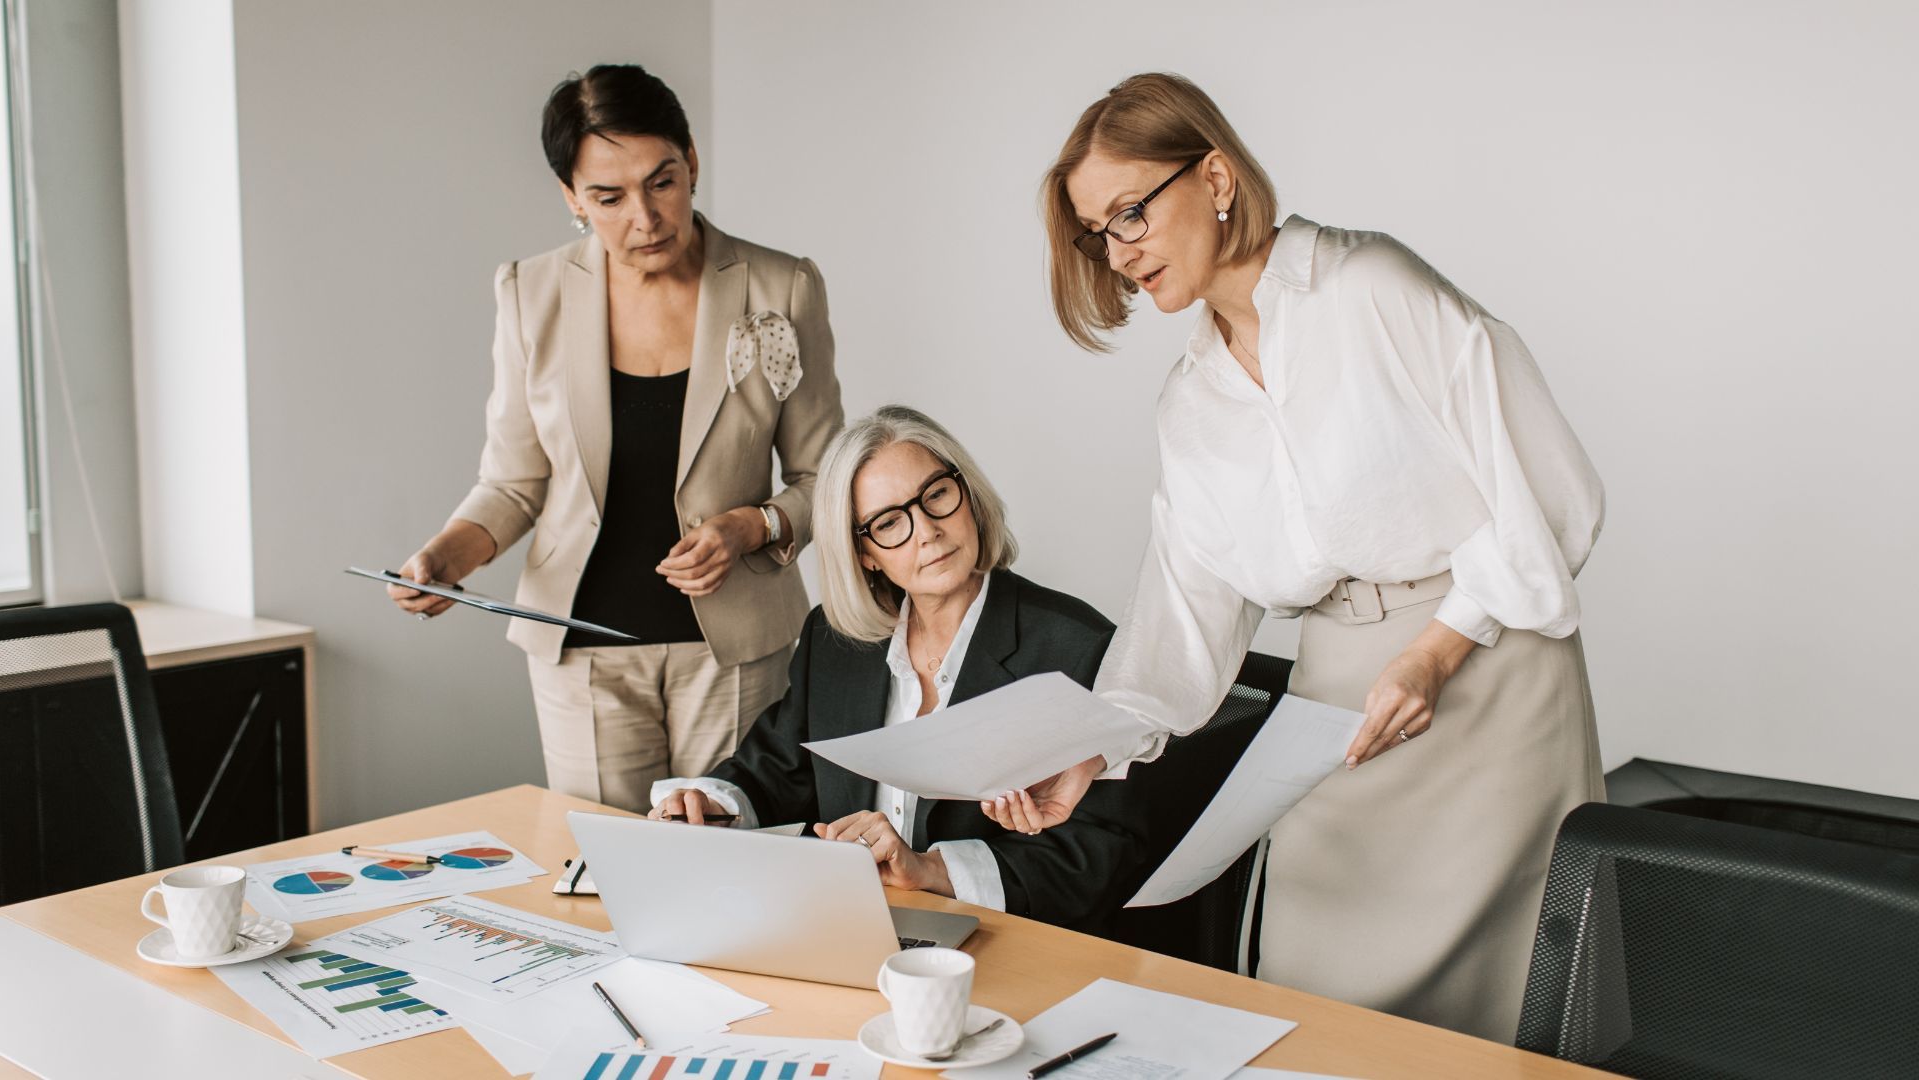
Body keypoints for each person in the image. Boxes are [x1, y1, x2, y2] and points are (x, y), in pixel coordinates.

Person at [987, 73, 1606, 1040]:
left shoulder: (1372, 287)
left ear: (1218, 176)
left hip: (1494, 676)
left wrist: (1438, 650)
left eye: (1131, 212)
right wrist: (1090, 753)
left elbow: (1553, 490)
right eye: (1098, 232)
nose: (1119, 251)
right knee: (1310, 997)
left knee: (1504, 1010)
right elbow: (1183, 620)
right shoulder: (1188, 402)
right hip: (1341, 700)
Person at [389, 64, 842, 812]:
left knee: (733, 865)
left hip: (734, 648)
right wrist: (444, 555)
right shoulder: (528, 292)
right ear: (571, 197)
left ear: (691, 161)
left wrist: (748, 526)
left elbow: (824, 475)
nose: (645, 216)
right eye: (608, 196)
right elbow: (513, 482)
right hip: (578, 648)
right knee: (605, 881)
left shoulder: (780, 286)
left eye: (661, 182)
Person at [649, 406, 1144, 933]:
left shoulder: (1077, 647)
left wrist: (932, 870)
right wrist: (709, 805)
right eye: (889, 523)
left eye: (936, 496)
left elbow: (1105, 851)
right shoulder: (835, 640)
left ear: (968, 496)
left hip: (1005, 940)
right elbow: (776, 770)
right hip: (845, 924)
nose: (927, 531)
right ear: (864, 553)